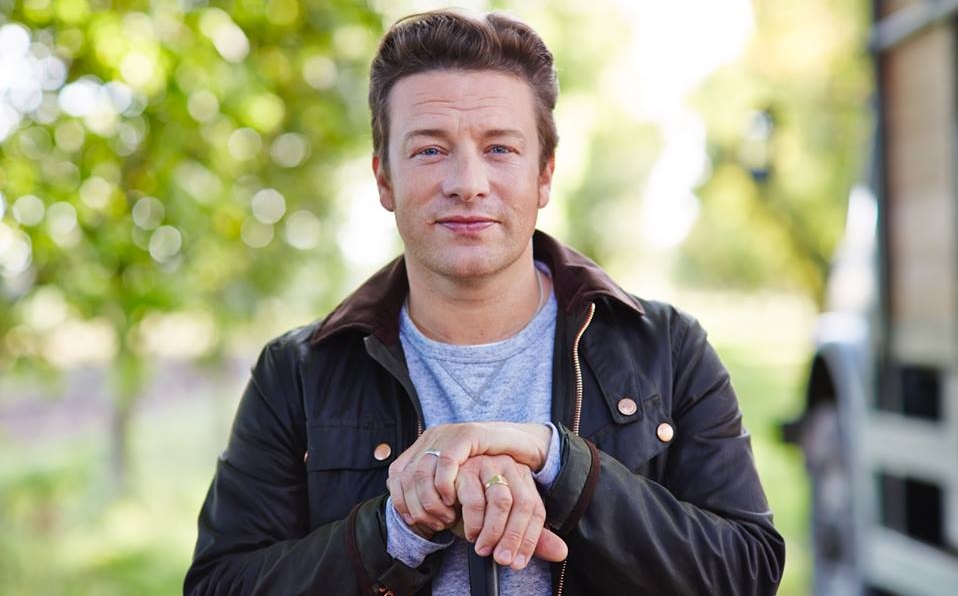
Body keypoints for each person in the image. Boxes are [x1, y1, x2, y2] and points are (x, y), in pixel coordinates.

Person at [184, 9, 785, 596]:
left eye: (499, 148)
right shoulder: (298, 371)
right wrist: (395, 531)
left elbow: (749, 570)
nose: (467, 183)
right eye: (429, 150)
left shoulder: (666, 348)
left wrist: (558, 463)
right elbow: (219, 585)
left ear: (544, 174)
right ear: (384, 179)